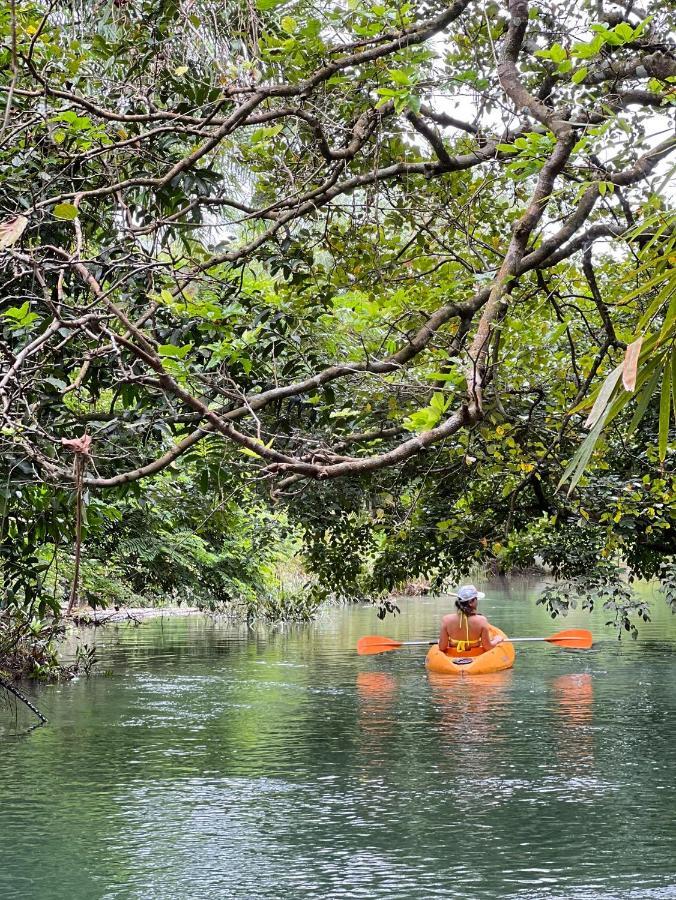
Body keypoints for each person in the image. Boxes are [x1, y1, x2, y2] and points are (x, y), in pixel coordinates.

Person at [438, 585, 504, 654]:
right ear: (471, 602)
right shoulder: (482, 621)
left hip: (454, 655)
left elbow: (442, 647)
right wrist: (496, 640)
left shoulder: (446, 620)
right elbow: (488, 647)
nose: (477, 601)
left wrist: (440, 642)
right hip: (475, 655)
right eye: (476, 599)